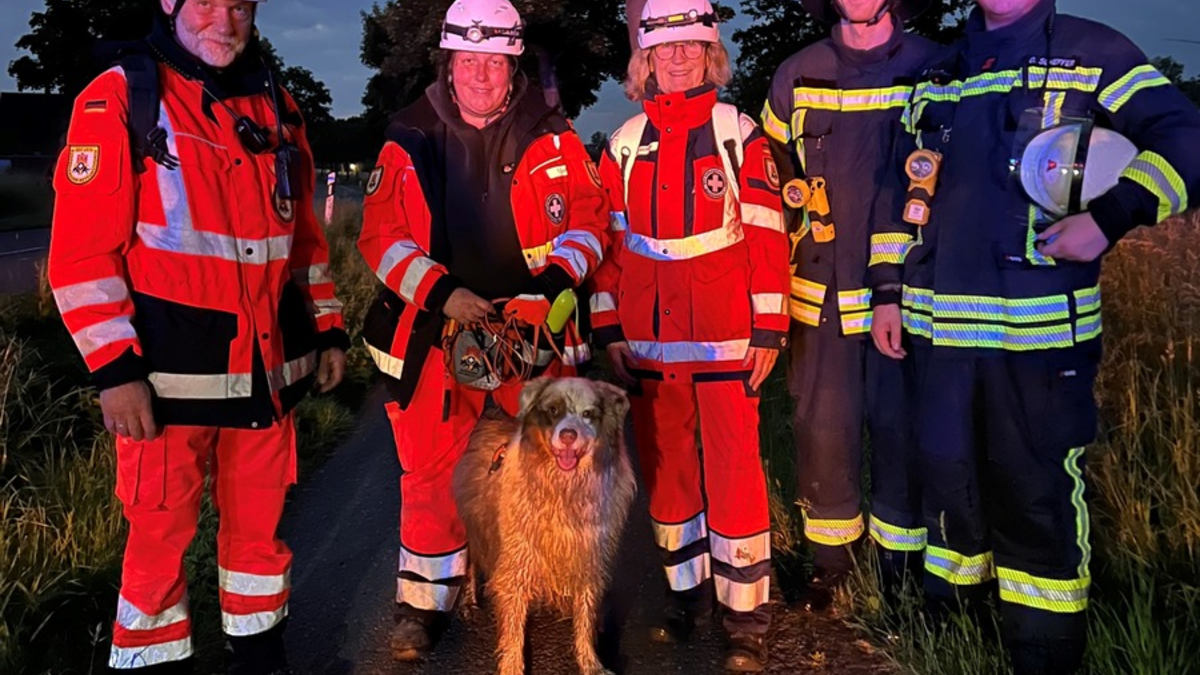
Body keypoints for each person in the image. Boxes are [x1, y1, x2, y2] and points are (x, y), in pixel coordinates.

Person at [868, 0, 1200, 672]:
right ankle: (952, 626)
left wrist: (1110, 217)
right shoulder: (940, 73)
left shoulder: (1092, 51)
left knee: (1033, 488)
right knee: (948, 477)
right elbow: (900, 193)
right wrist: (888, 291)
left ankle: (1042, 647)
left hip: (1038, 335)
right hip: (940, 336)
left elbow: (1186, 138)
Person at [47, 0, 349, 672]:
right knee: (158, 544)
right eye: (206, 1)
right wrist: (115, 371)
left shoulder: (280, 105)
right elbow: (80, 254)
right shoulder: (122, 96)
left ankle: (260, 658)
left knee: (259, 542)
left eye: (239, 4)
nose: (224, 19)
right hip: (162, 384)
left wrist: (328, 330)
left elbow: (304, 239)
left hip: (265, 376)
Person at [356, 0, 609, 662]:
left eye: (491, 62)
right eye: (466, 61)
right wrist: (446, 295)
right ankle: (425, 601)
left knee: (544, 466)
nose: (478, 74)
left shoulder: (554, 134)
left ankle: (543, 581)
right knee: (432, 467)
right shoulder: (407, 134)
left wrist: (551, 288)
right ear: (449, 62)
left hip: (532, 336)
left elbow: (591, 222)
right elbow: (381, 238)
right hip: (436, 334)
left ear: (511, 63)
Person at [590, 0, 789, 669]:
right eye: (663, 51)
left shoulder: (737, 131)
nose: (677, 61)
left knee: (735, 471)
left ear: (711, 56)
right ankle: (687, 595)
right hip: (648, 342)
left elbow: (766, 233)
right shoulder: (621, 142)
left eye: (690, 49)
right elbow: (608, 246)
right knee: (669, 474)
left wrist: (768, 327)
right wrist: (608, 324)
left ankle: (745, 614)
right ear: (642, 61)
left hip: (727, 337)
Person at [761, 0, 940, 607]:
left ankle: (900, 569)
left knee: (904, 428)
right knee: (822, 430)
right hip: (821, 295)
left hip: (911, 291)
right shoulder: (796, 74)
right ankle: (832, 567)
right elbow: (771, 178)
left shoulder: (934, 68)